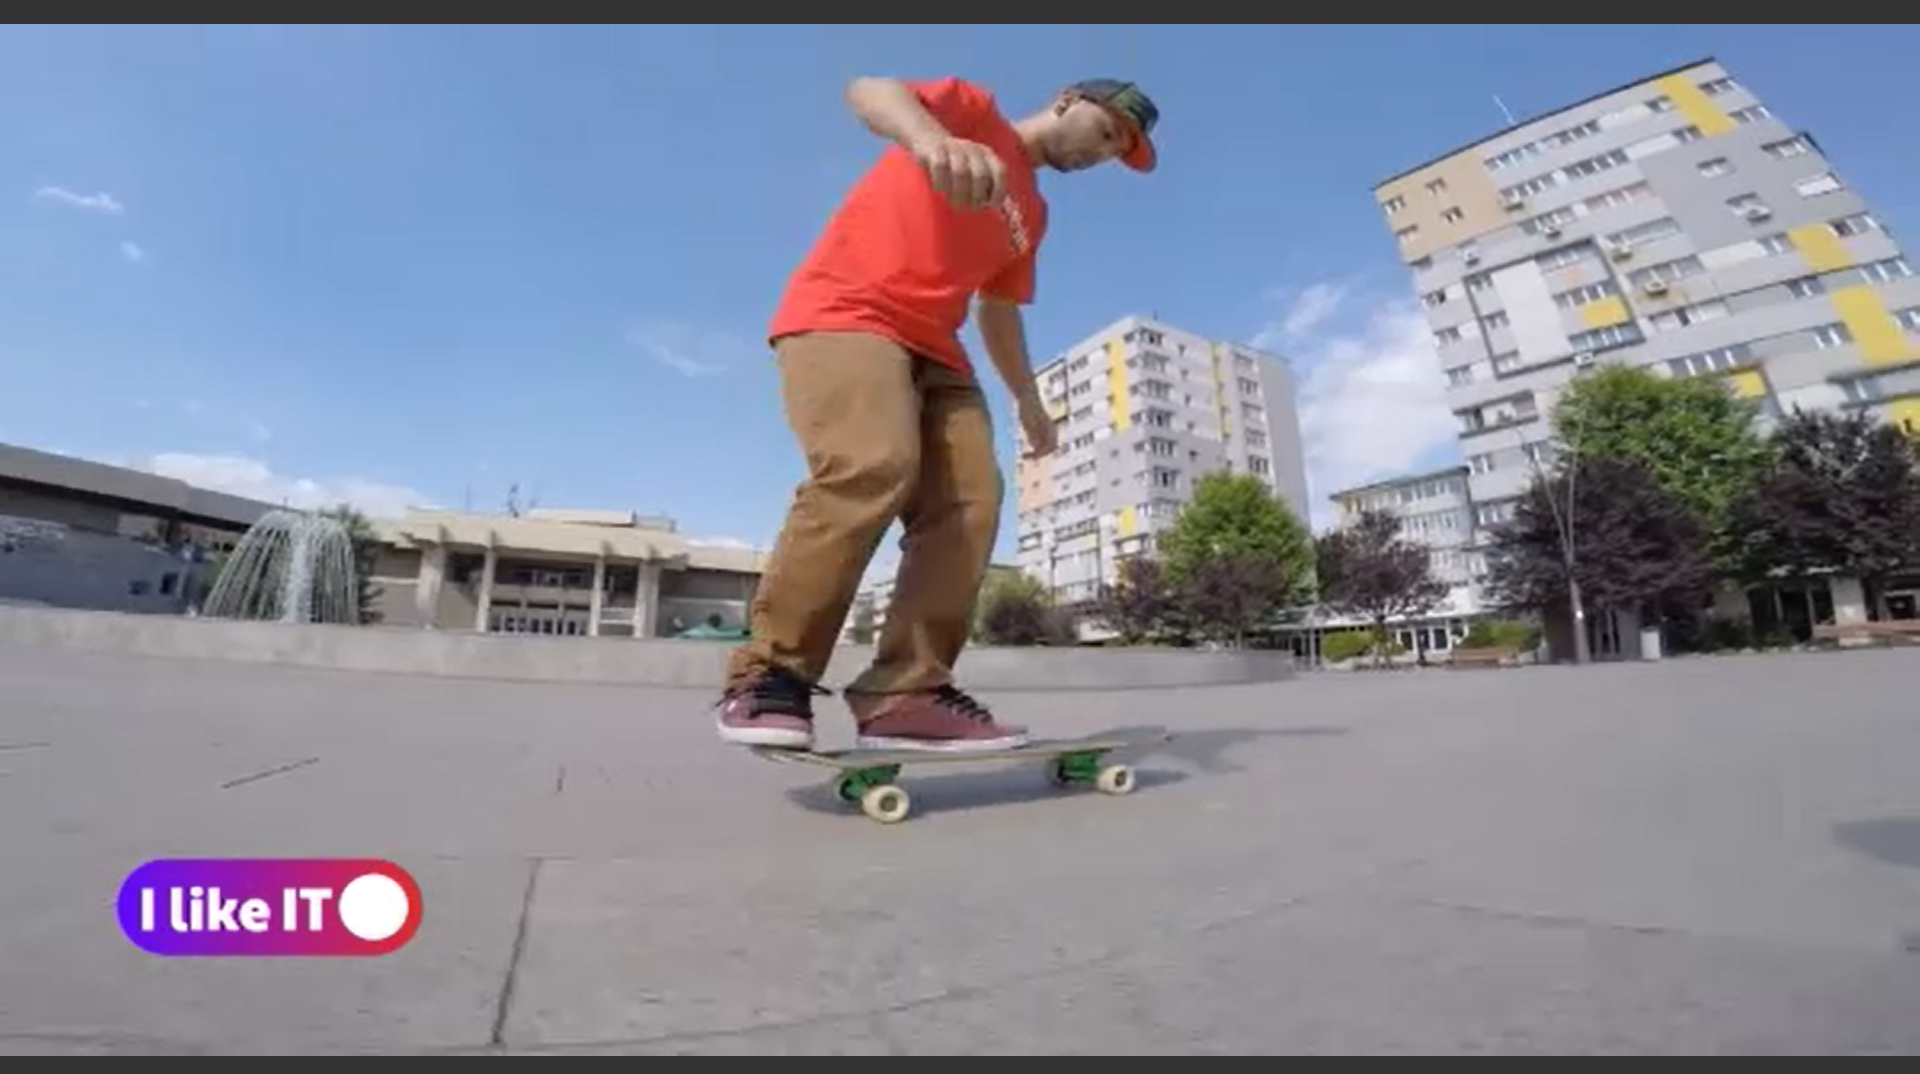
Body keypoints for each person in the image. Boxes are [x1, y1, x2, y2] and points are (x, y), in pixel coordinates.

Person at [712, 74, 1162, 754]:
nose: (1102, 153)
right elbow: (867, 90)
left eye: (1116, 152)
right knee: (873, 466)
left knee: (973, 502)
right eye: (1104, 133)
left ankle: (907, 691)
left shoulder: (1034, 214)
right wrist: (929, 138)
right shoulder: (974, 114)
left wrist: (1030, 402)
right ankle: (770, 675)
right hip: (846, 313)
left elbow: (999, 310)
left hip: (939, 350)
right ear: (1068, 101)